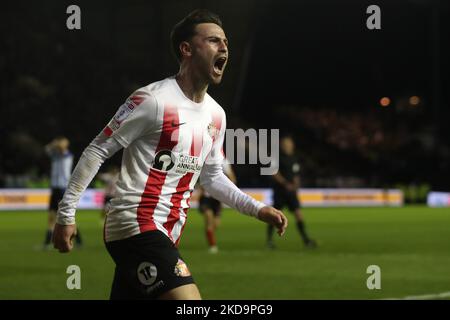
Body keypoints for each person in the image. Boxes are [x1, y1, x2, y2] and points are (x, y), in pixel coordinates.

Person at [53, 9, 288, 300]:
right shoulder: (151, 100)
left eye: (226, 41)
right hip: (135, 224)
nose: (225, 47)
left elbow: (212, 178)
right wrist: (66, 214)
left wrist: (257, 208)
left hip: (168, 231)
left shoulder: (216, 115)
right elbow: (98, 149)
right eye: (214, 40)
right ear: (186, 49)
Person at [267, 134, 317, 249]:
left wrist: (296, 185)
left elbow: (295, 175)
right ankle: (269, 241)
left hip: (291, 192)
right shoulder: (276, 157)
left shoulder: (294, 158)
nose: (287, 146)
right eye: (285, 144)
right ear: (281, 145)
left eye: (289, 144)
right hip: (280, 191)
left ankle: (306, 240)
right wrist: (285, 184)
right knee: (274, 216)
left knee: (299, 215)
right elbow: (274, 173)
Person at [43, 137, 82, 249]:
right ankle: (47, 241)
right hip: (55, 188)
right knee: (51, 215)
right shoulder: (55, 155)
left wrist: (56, 144)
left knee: (66, 215)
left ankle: (78, 239)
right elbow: (46, 150)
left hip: (63, 188)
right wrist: (53, 143)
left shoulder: (67, 154)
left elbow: (61, 147)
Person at [198, 157, 237, 253]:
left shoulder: (223, 161)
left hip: (217, 199)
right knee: (209, 218)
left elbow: (232, 177)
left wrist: (226, 190)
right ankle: (213, 246)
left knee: (215, 224)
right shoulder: (202, 158)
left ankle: (210, 235)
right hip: (206, 198)